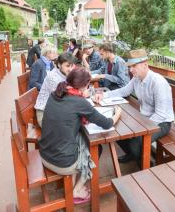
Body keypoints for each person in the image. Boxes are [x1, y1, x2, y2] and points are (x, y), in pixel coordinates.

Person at [39, 68, 121, 203]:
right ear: (84, 86)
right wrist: (117, 113)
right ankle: (77, 188)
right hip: (62, 163)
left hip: (45, 154)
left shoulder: (56, 93)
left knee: (82, 139)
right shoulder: (79, 102)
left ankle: (76, 184)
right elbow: (106, 124)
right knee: (96, 148)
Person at [94, 49, 174, 166]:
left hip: (162, 122)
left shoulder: (158, 82)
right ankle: (133, 154)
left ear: (145, 65)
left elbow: (161, 114)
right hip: (144, 117)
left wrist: (140, 129)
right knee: (118, 130)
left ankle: (147, 166)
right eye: (129, 66)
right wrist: (103, 95)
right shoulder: (137, 78)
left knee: (136, 142)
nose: (130, 70)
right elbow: (123, 91)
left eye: (133, 66)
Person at [35, 52, 76, 127]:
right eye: (67, 66)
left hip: (56, 110)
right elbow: (64, 100)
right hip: (44, 114)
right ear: (59, 65)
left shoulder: (65, 74)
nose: (70, 69)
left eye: (72, 66)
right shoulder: (53, 78)